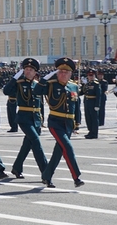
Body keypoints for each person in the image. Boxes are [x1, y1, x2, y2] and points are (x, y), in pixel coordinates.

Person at [36, 57, 84, 188]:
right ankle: (76, 177)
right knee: (67, 148)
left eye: (66, 72)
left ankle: (46, 176)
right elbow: (36, 91)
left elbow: (77, 106)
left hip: (68, 123)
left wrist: (77, 123)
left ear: (70, 74)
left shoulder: (74, 86)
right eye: (61, 71)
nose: (63, 74)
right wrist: (44, 79)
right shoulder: (51, 84)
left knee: (59, 151)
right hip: (56, 122)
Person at [3, 58, 47, 179]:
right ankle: (46, 172)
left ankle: (17, 168)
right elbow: (6, 91)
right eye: (26, 69)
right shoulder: (19, 83)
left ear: (35, 72)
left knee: (27, 145)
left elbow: (40, 104)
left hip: (36, 118)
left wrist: (42, 120)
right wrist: (14, 79)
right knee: (36, 141)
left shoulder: (37, 85)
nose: (28, 72)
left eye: (30, 70)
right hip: (24, 117)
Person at [80, 68, 102, 139]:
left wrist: (97, 105)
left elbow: (98, 95)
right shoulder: (86, 84)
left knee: (94, 119)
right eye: (89, 76)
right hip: (87, 102)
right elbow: (82, 92)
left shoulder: (96, 84)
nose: (90, 77)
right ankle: (90, 131)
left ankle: (94, 133)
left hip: (93, 102)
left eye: (92, 76)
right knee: (88, 118)